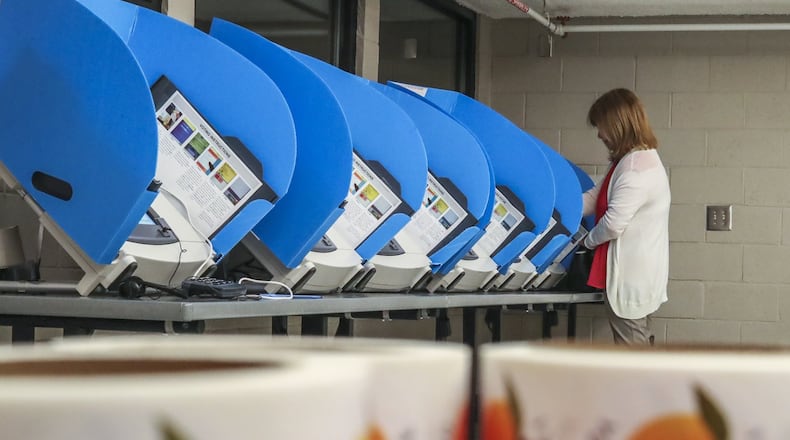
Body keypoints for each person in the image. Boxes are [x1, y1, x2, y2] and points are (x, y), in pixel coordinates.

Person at [582, 88, 670, 345]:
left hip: (631, 278)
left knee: (632, 357)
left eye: (601, 127)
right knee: (636, 351)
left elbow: (613, 224)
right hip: (640, 276)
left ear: (617, 125)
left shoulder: (635, 169)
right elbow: (592, 199)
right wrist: (555, 209)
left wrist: (584, 242)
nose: (599, 134)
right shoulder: (630, 161)